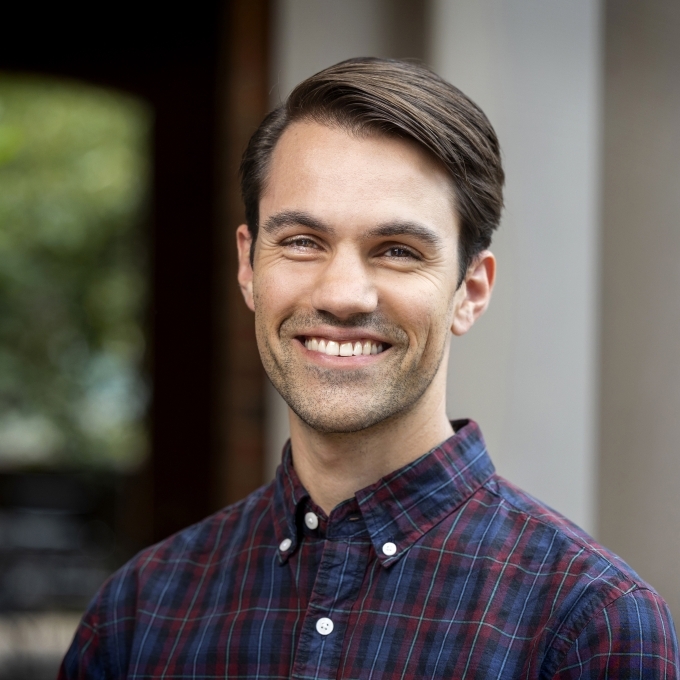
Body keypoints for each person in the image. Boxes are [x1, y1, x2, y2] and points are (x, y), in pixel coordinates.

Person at [60, 58, 679, 679]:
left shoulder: (591, 626)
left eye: (397, 251)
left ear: (471, 290)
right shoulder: (139, 615)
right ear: (249, 266)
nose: (343, 294)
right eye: (302, 241)